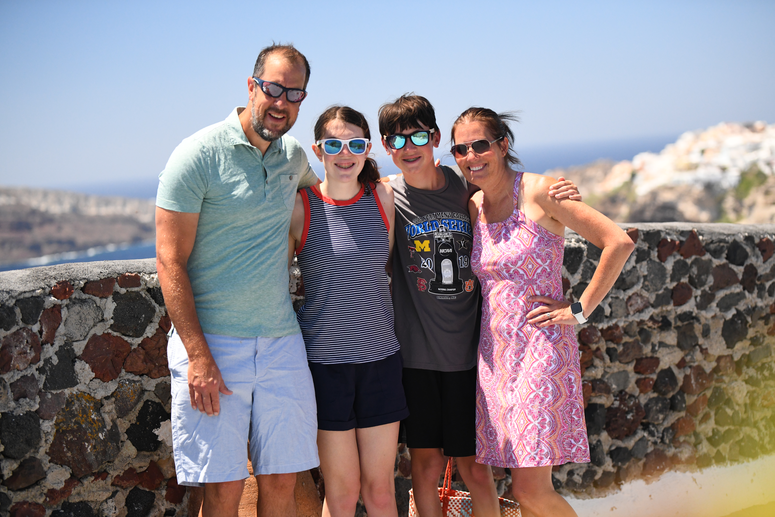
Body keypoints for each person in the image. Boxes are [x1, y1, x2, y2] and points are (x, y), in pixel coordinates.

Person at [379, 94, 581, 517]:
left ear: (434, 138)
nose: (408, 147)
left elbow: (508, 190)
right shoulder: (386, 196)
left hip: (473, 357)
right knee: (427, 464)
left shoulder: (462, 188)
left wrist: (558, 191)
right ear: (385, 147)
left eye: (418, 135)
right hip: (416, 356)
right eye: (396, 140)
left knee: (475, 467)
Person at [155, 44, 320, 517]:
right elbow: (170, 262)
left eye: (294, 92)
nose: (281, 101)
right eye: (272, 88)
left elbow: (337, 187)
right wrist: (199, 356)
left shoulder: (292, 157)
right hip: (214, 346)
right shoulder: (197, 155)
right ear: (252, 87)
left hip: (281, 343)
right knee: (222, 491)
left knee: (282, 480)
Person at [450, 107, 635, 517]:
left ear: (503, 145)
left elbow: (617, 242)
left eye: (480, 144)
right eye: (460, 149)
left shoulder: (540, 192)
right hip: (495, 358)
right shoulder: (473, 205)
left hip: (540, 350)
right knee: (521, 486)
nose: (470, 155)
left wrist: (580, 309)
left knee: (530, 489)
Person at [289, 106, 408, 517]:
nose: (345, 153)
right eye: (335, 144)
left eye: (356, 144)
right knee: (341, 495)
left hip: (381, 362)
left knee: (380, 493)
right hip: (325, 368)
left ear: (367, 149)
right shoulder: (300, 207)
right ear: (318, 150)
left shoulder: (383, 198)